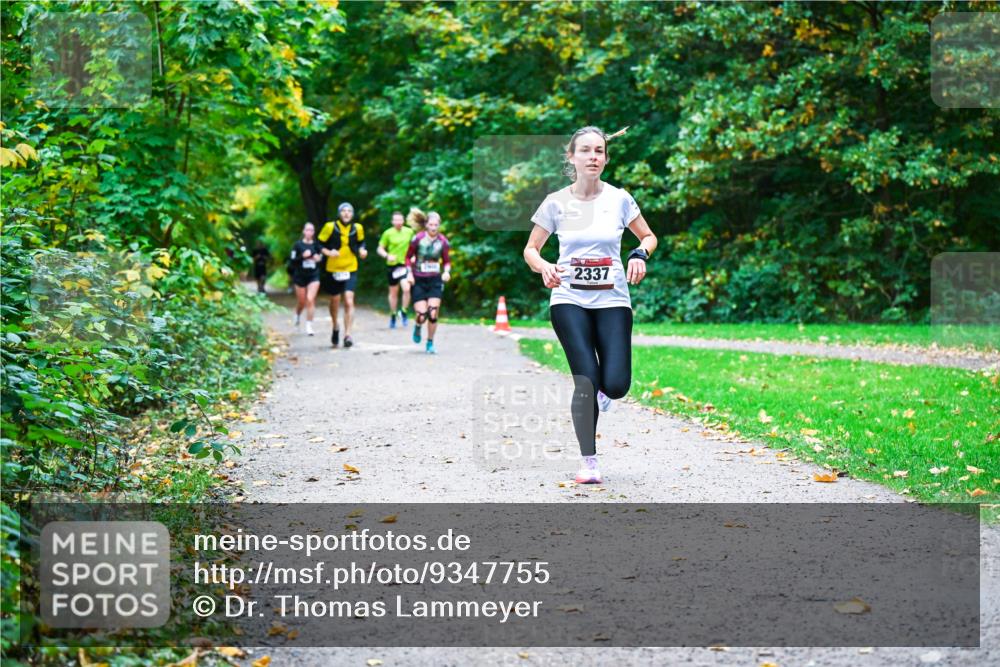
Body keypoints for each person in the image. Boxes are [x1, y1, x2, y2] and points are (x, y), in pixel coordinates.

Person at [522, 125, 657, 484]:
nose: (593, 157)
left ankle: (604, 390)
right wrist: (544, 266)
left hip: (613, 299)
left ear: (605, 158)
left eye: (599, 151)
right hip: (568, 299)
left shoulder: (619, 199)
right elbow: (531, 249)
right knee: (585, 379)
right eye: (585, 151)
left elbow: (648, 235)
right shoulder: (555, 202)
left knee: (615, 385)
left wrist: (639, 252)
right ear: (572, 157)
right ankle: (589, 461)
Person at [318, 202, 367, 348]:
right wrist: (328, 252)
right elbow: (319, 244)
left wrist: (363, 251)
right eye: (343, 211)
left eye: (349, 211)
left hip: (351, 268)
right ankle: (335, 326)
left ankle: (348, 335)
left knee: (349, 300)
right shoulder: (329, 227)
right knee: (334, 301)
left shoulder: (358, 228)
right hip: (334, 269)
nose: (346, 213)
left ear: (352, 214)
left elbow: (361, 243)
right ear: (339, 213)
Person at [404, 209, 451, 355]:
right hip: (418, 279)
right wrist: (409, 274)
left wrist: (447, 272)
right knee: (422, 315)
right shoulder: (417, 239)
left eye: (436, 225)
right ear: (426, 225)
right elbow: (407, 257)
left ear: (439, 226)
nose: (433, 227)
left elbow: (447, 261)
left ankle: (430, 342)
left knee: (433, 313)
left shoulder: (443, 241)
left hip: (435, 280)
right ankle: (418, 326)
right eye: (431, 224)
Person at [377, 211, 415, 329]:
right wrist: (387, 255)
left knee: (407, 288)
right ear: (392, 221)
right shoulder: (387, 233)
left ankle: (404, 311)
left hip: (405, 265)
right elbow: (380, 249)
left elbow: (415, 246)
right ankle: (393, 314)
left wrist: (414, 256)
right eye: (396, 220)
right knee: (393, 292)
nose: (398, 222)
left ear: (403, 221)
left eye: (400, 220)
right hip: (392, 266)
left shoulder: (409, 232)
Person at [289, 222, 322, 335]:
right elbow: (292, 261)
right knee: (302, 301)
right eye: (307, 230)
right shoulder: (297, 245)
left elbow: (321, 258)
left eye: (311, 230)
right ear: (303, 231)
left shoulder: (316, 245)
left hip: (313, 275)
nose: (309, 232)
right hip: (300, 276)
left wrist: (318, 258)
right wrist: (302, 257)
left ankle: (309, 326)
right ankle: (297, 315)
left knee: (310, 299)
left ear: (313, 232)